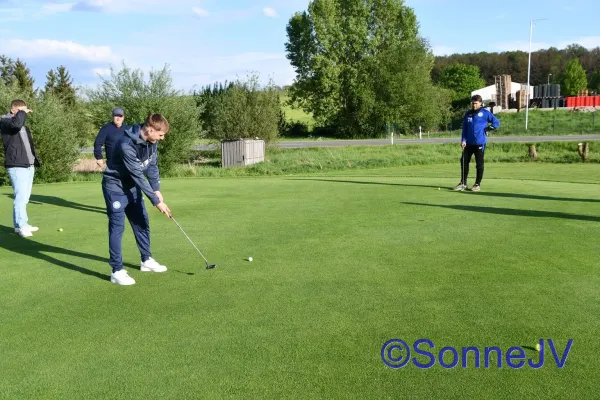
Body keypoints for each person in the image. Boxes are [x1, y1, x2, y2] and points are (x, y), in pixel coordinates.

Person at [102, 113, 172, 286]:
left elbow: (152, 165)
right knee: (117, 227)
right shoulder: (126, 144)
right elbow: (138, 176)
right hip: (116, 188)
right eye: (160, 134)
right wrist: (157, 202)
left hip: (132, 187)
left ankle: (146, 260)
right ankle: (116, 271)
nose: (162, 138)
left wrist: (156, 189)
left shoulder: (152, 142)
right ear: (150, 130)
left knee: (141, 221)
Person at [0, 99, 41, 237]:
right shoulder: (5, 121)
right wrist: (22, 112)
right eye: (20, 111)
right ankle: (22, 226)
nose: (24, 114)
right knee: (21, 197)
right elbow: (16, 123)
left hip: (28, 165)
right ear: (13, 110)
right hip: (16, 166)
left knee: (25, 197)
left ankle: (19, 225)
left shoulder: (23, 127)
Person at [454, 95, 500, 192]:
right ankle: (463, 183)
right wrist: (463, 140)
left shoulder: (485, 113)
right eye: (472, 103)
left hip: (480, 143)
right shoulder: (468, 114)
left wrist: (487, 129)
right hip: (468, 143)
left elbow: (496, 123)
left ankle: (477, 184)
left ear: (480, 103)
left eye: (475, 103)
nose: (474, 105)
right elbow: (465, 128)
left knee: (479, 164)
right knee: (464, 162)